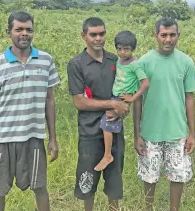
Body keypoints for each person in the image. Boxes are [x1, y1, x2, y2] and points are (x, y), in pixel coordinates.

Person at [0, 10, 60, 211]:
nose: (24, 33)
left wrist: (52, 138)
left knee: (40, 186)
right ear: (9, 32)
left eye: (29, 29)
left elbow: (49, 101)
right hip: (1, 139)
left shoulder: (45, 60)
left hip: (33, 137)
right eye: (19, 29)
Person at [133, 17, 195, 211]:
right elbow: (137, 101)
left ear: (178, 36)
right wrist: (137, 135)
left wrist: (191, 133)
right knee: (149, 176)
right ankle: (148, 208)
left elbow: (189, 98)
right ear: (156, 36)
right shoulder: (144, 62)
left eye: (172, 35)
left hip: (177, 133)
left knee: (178, 176)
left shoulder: (186, 62)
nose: (168, 39)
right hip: (150, 133)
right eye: (164, 35)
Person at [67, 17, 129, 211]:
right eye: (93, 34)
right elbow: (79, 101)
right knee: (88, 182)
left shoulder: (115, 60)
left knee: (114, 182)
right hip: (89, 132)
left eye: (102, 33)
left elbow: (126, 89)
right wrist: (111, 103)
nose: (98, 38)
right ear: (84, 36)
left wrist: (122, 108)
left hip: (114, 129)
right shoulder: (77, 64)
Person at [94, 30, 149, 171]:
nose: (122, 52)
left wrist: (132, 98)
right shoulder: (118, 61)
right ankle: (108, 154)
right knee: (107, 123)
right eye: (119, 49)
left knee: (107, 122)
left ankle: (107, 155)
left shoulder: (135, 64)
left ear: (133, 49)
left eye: (126, 49)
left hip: (122, 97)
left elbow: (145, 83)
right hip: (115, 97)